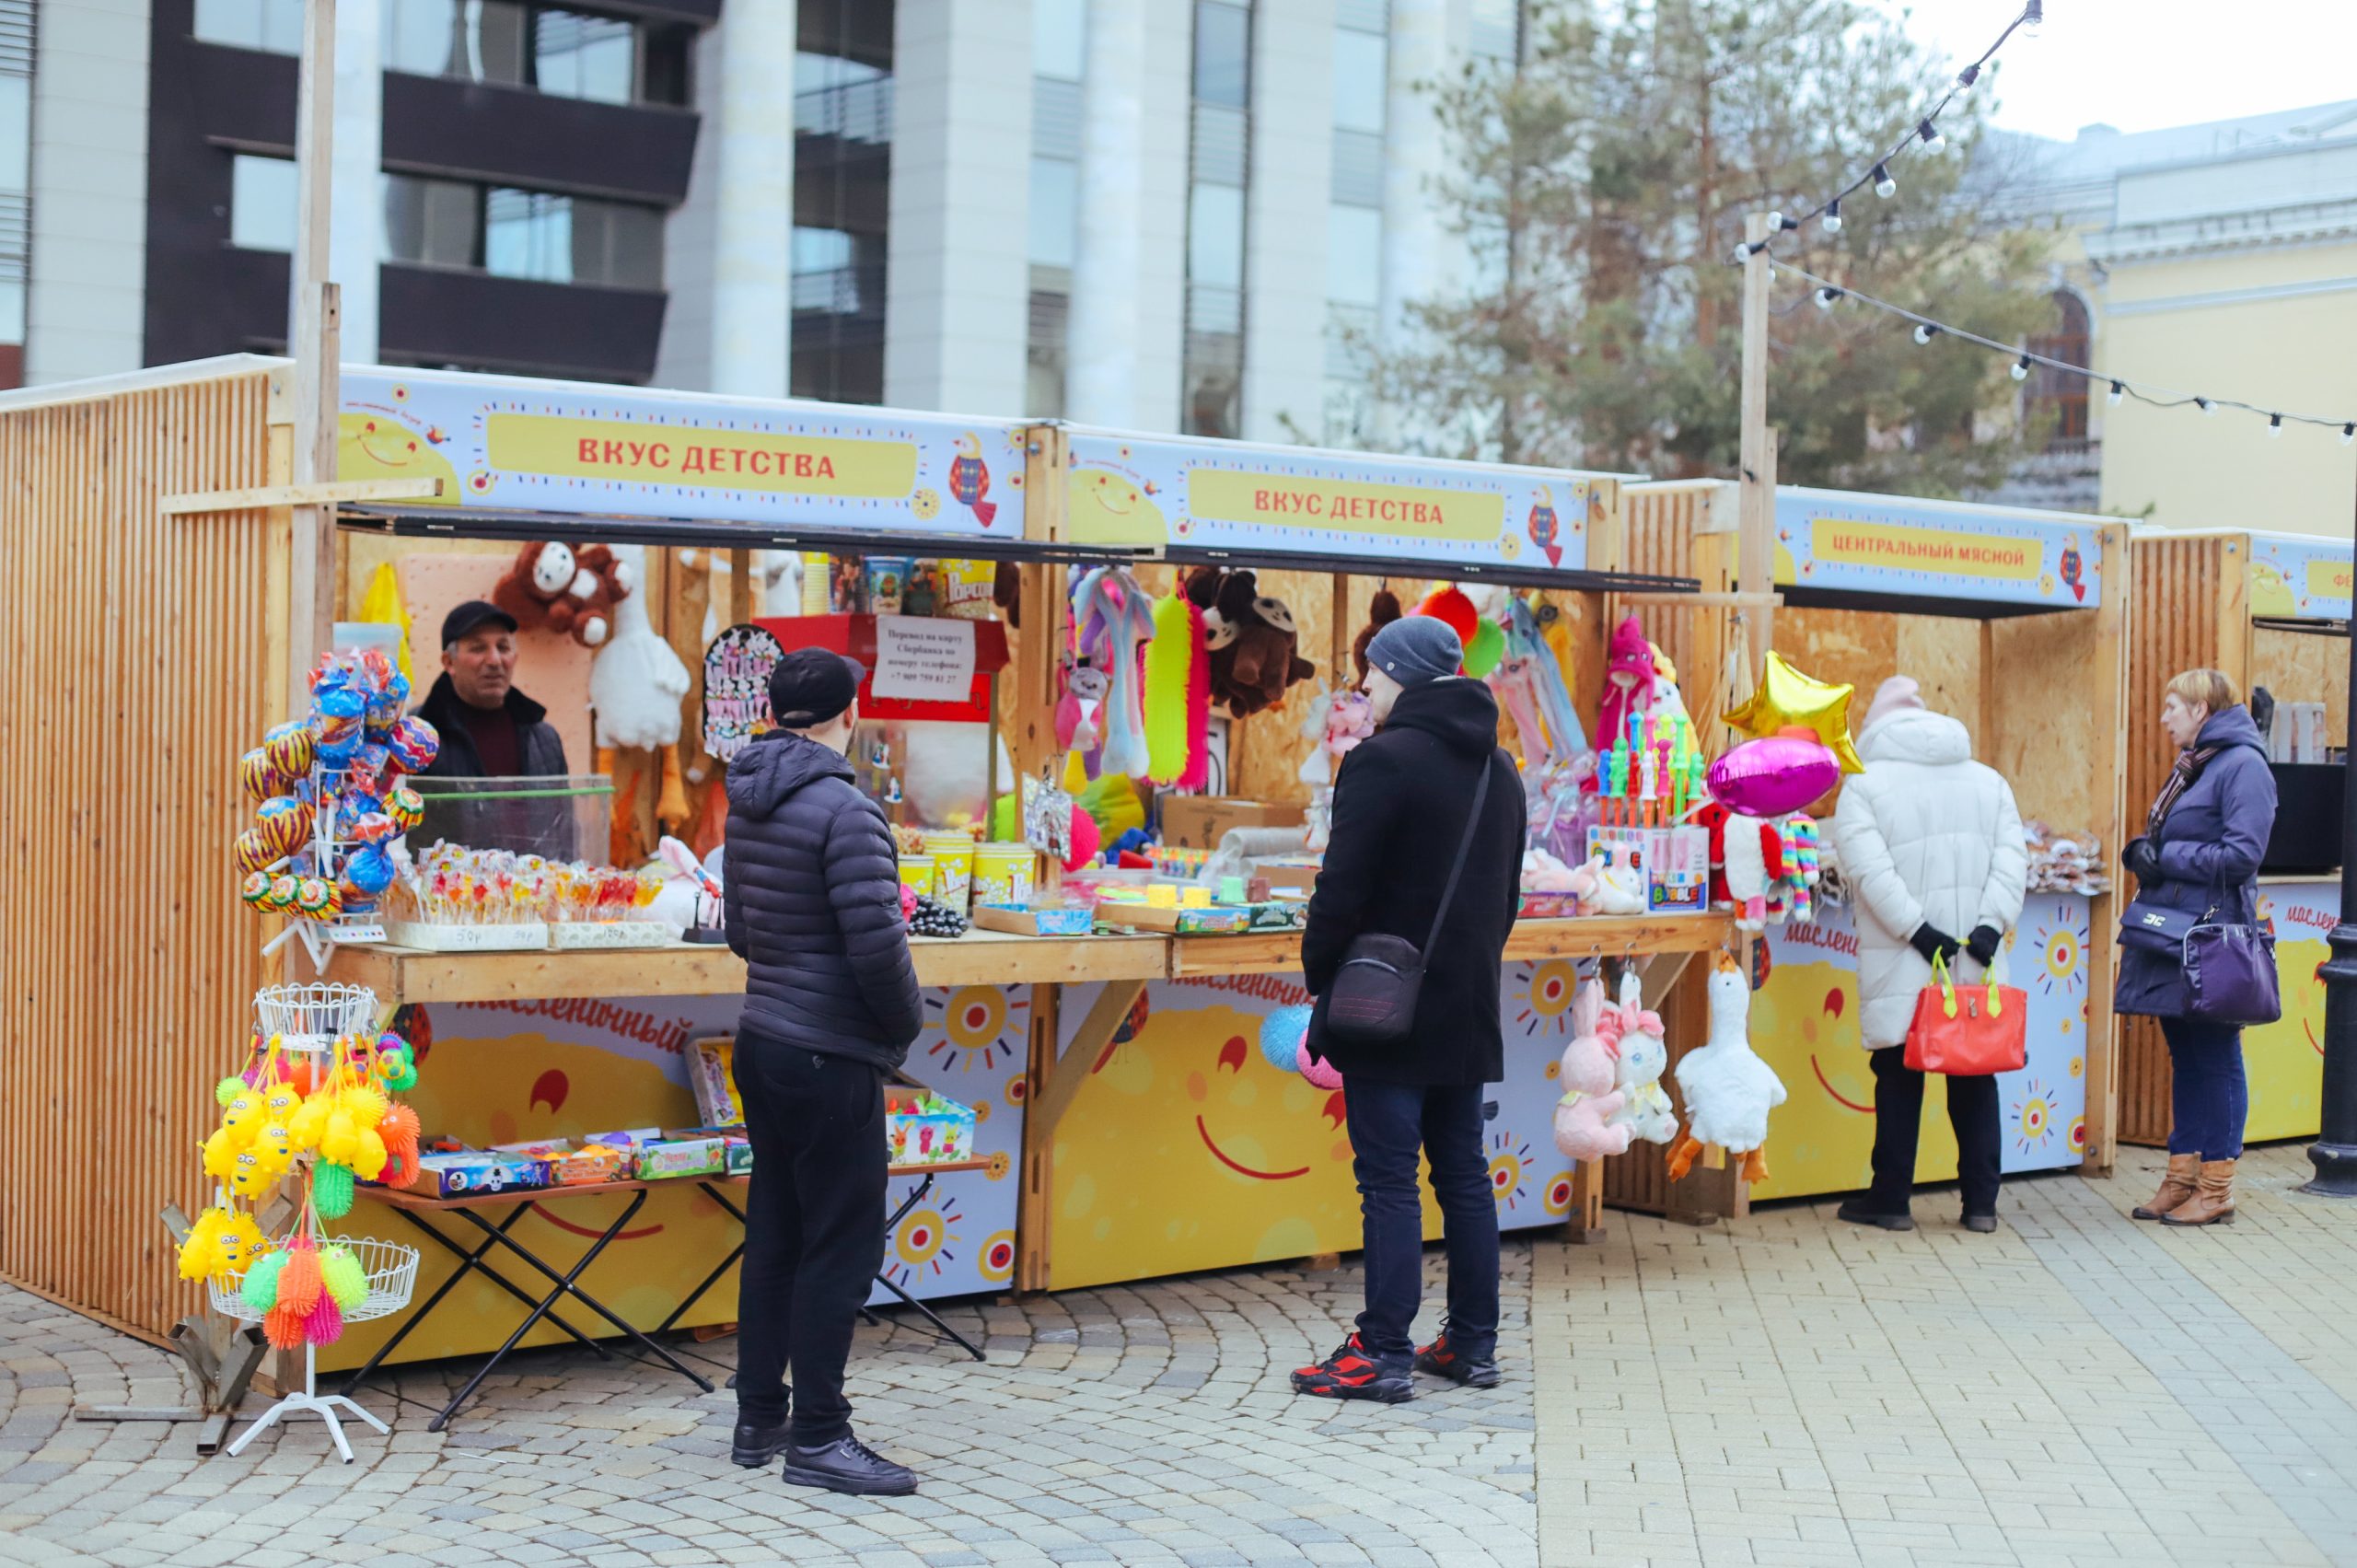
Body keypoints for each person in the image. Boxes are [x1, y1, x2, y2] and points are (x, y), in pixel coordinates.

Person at [1293, 616, 1527, 1402]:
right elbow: (1507, 902)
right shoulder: (1503, 771)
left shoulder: (1381, 762)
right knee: (1463, 1173)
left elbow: (1340, 890)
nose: (1367, 690)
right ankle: (1472, 1342)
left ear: (1402, 676)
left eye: (1374, 675)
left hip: (1386, 1008)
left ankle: (1382, 1351)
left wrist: (1322, 975)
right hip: (1467, 1006)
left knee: (1388, 1178)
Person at [722, 647, 923, 1493]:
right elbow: (878, 949)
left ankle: (759, 1412)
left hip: (762, 1039)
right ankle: (820, 1436)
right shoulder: (846, 809)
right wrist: (905, 1026)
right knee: (840, 1243)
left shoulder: (745, 796)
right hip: (827, 1050)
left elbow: (738, 929)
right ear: (851, 710)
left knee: (776, 1230)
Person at [1829, 676, 2027, 1234]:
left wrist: (1917, 930)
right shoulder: (1990, 782)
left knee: (1897, 1073)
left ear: (1874, 729)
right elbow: (2013, 861)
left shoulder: (1864, 786)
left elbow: (1870, 872)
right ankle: (1981, 1206)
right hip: (1977, 960)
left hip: (1905, 957)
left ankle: (1890, 1199)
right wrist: (1990, 926)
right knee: (1975, 1075)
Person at [2116, 668, 2277, 1227]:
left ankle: (2217, 1187)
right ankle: (2181, 1178)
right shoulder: (2198, 764)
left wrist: (2169, 859)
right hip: (2177, 932)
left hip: (2213, 937)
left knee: (2217, 1058)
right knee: (2186, 1057)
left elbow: (2242, 856)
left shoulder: (2242, 766)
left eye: (2172, 707)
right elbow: (2169, 837)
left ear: (2202, 709)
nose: (2163, 719)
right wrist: (2143, 850)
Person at [412, 600, 574, 854]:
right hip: (449, 891)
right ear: (449, 662)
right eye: (478, 648)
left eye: (503, 647)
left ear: (515, 657)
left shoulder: (543, 738)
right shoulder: (418, 738)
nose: (495, 660)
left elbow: (563, 834)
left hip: (530, 890)